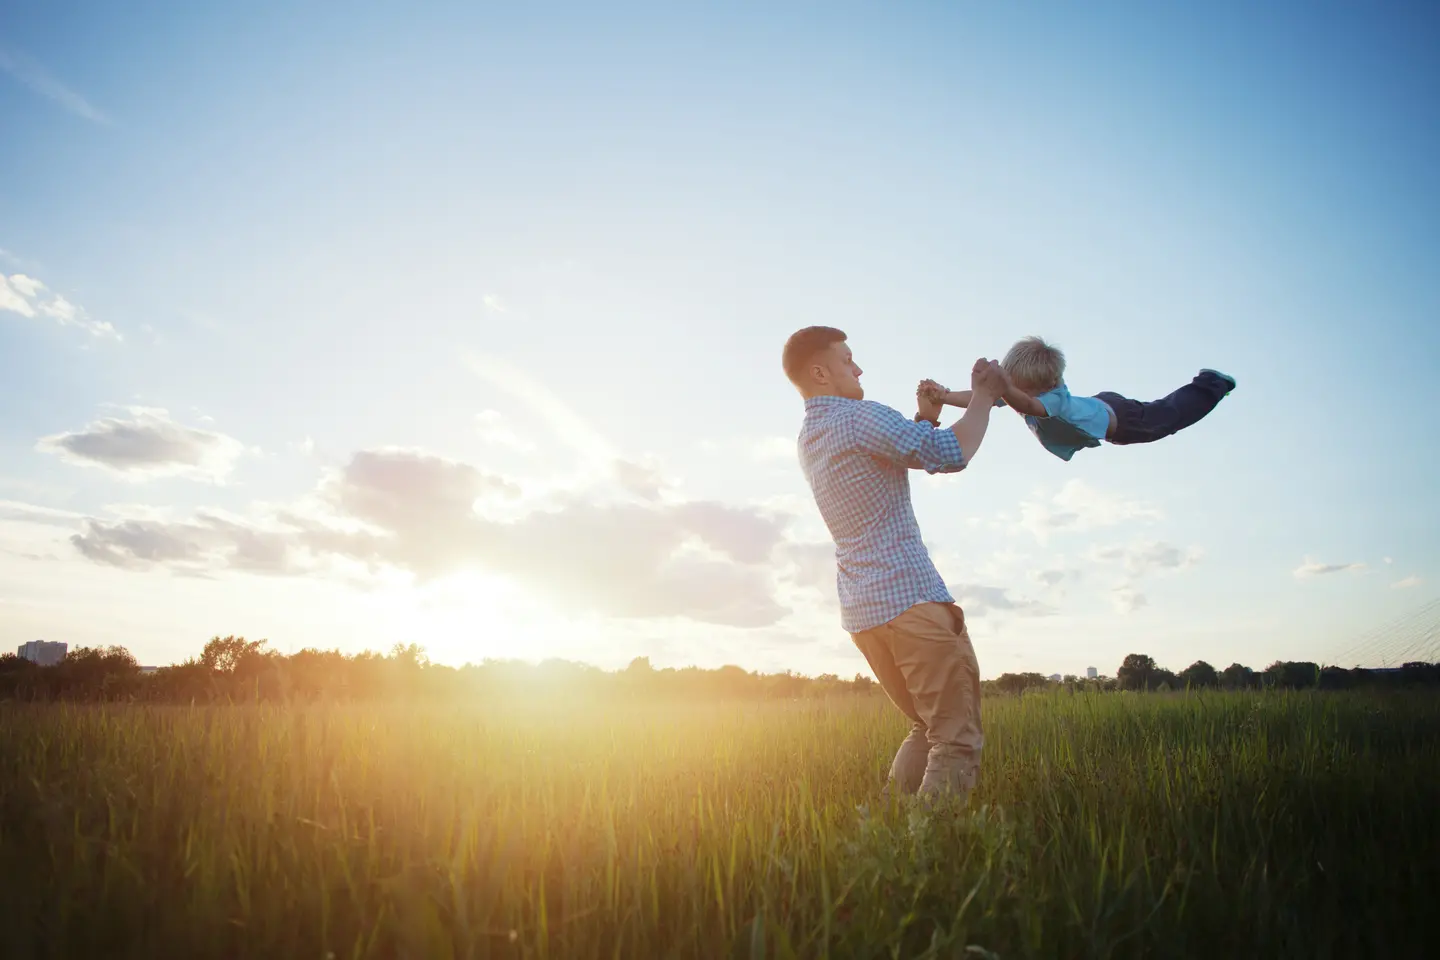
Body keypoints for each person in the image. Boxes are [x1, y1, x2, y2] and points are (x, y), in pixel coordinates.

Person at [783, 325, 1001, 799]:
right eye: (847, 360)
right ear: (820, 372)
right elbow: (952, 453)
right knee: (954, 738)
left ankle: (886, 839)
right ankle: (927, 859)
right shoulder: (859, 418)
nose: (858, 368)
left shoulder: (813, 435)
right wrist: (983, 395)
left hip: (865, 613)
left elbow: (896, 456)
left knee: (925, 727)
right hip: (912, 600)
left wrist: (925, 417)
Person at [921, 335, 1236, 462]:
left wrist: (1003, 389)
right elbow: (981, 399)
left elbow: (1031, 406)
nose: (1011, 395)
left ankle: (1212, 384)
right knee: (1161, 416)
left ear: (1046, 385)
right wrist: (945, 396)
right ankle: (1210, 384)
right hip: (1099, 405)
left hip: (1122, 421)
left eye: (1018, 390)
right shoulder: (1017, 390)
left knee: (1168, 418)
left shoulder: (1050, 399)